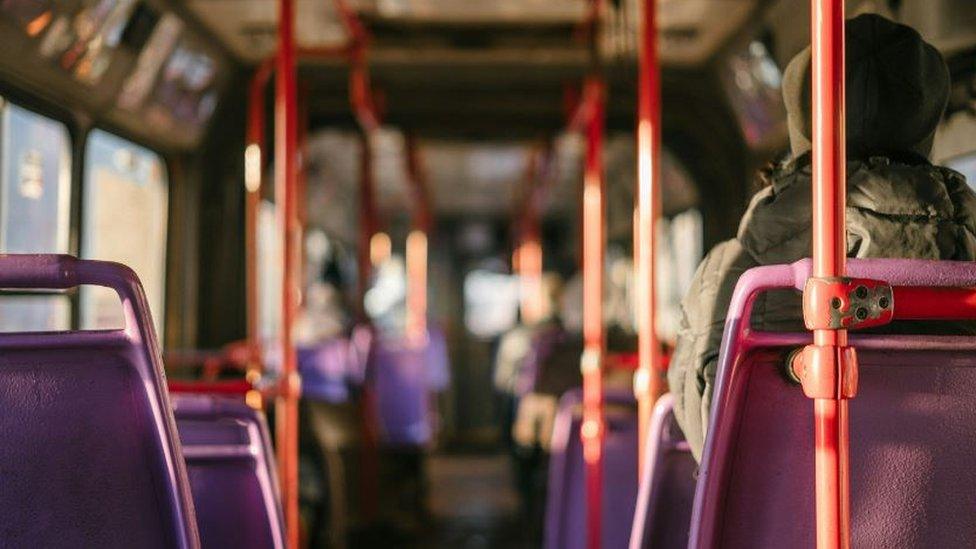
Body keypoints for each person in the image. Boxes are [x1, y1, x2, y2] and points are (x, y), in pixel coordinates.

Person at [668, 13, 976, 461]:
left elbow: (707, 436)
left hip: (782, 530)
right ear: (926, 121)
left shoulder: (735, 275)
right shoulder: (966, 263)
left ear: (802, 120)